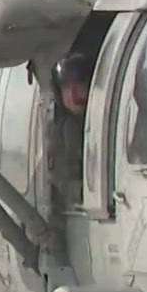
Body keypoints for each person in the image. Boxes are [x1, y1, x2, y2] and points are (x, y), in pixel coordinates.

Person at [46, 52, 93, 205]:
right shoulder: (65, 131)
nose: (72, 95)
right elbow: (63, 180)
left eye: (79, 85)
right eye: (66, 88)